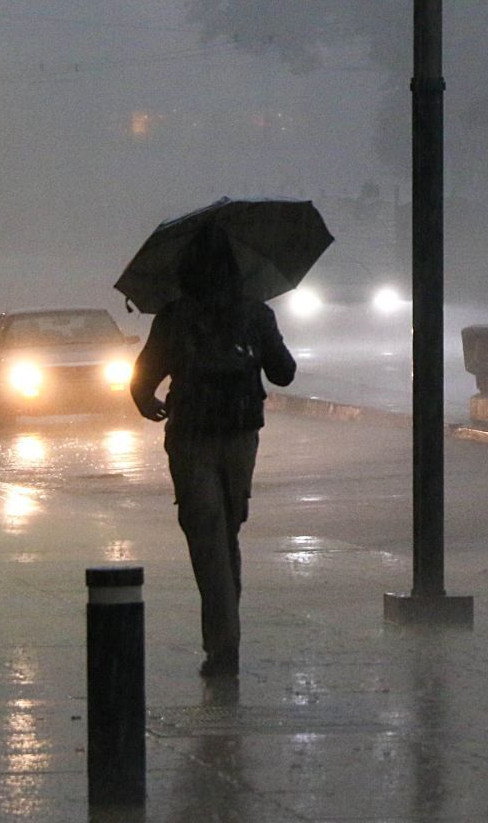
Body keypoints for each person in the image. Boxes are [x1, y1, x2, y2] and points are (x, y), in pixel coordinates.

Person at [131, 226, 296, 677]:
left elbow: (142, 380)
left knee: (207, 535)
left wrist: (151, 404)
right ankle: (226, 636)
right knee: (227, 530)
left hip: (191, 436)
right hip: (241, 435)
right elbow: (285, 374)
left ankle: (223, 642)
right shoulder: (256, 315)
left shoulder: (173, 317)